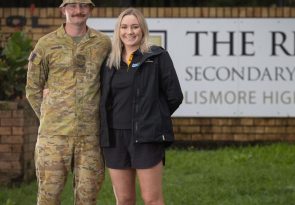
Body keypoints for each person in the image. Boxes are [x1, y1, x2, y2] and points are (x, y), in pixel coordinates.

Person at [25, 0, 111, 204]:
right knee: (48, 197)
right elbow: (33, 89)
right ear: (63, 9)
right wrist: (50, 115)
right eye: (72, 6)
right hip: (53, 138)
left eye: (83, 6)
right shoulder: (46, 44)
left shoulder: (103, 43)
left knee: (88, 198)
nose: (78, 11)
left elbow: (110, 83)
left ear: (90, 9)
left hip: (90, 138)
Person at [100, 8, 183, 205]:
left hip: (146, 136)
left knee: (151, 199)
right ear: (118, 30)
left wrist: (153, 117)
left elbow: (174, 96)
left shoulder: (157, 57)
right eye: (125, 27)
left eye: (135, 27)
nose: (130, 32)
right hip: (114, 138)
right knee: (125, 199)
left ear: (143, 30)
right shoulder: (109, 61)